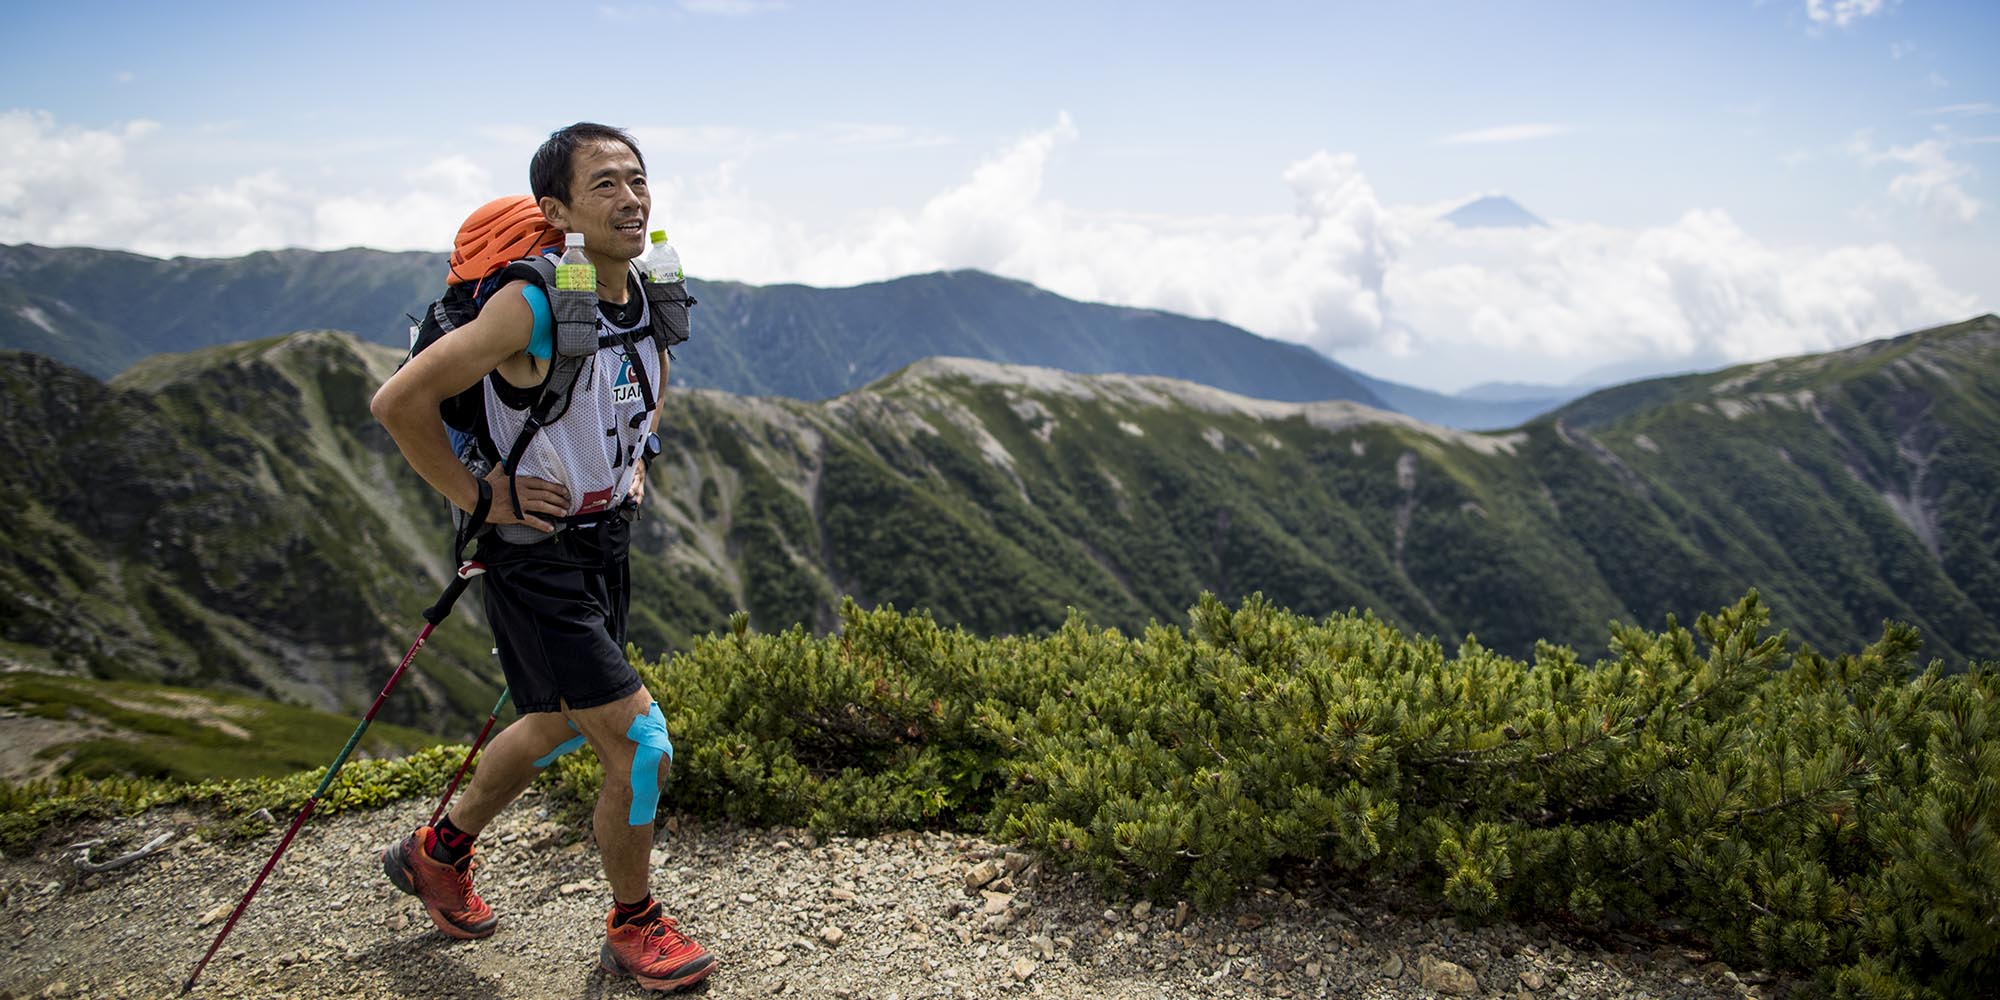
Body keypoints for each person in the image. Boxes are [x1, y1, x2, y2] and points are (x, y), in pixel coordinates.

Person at [369, 122, 714, 993]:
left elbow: (650, 377)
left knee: (559, 720)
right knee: (640, 746)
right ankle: (633, 926)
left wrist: (634, 464)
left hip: (601, 543)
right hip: (534, 557)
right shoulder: (531, 302)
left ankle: (435, 852)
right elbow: (399, 400)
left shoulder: (643, 289)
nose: (631, 198)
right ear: (554, 208)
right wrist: (482, 497)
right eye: (604, 185)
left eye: (638, 180)